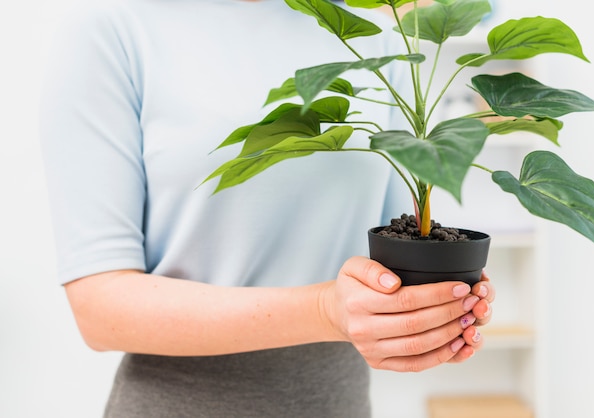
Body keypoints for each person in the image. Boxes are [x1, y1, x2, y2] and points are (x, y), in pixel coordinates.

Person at [39, 0, 495, 417]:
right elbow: (100, 309)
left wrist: (434, 310)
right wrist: (323, 310)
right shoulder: (114, 29)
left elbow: (399, 247)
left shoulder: (374, 37)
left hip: (339, 403)